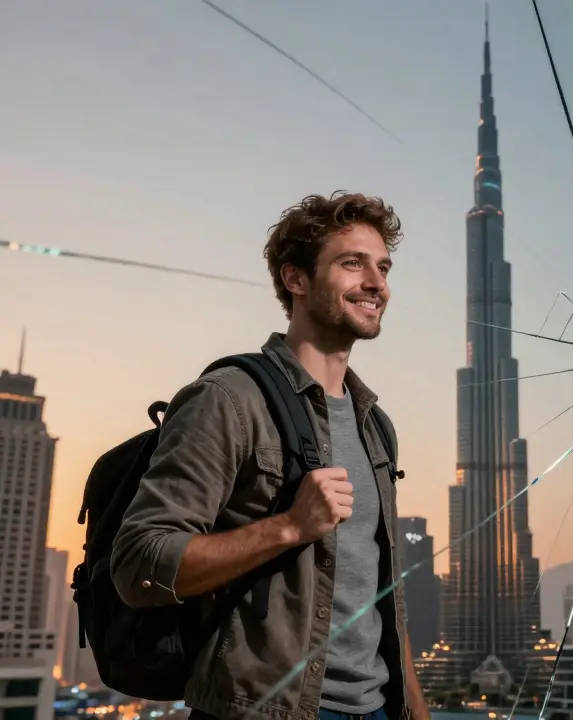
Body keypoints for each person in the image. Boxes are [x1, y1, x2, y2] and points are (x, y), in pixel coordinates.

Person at [111, 192, 431, 720]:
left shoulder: (377, 427)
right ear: (296, 279)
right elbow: (140, 560)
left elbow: (381, 596)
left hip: (376, 708)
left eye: (383, 267)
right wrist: (289, 527)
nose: (377, 284)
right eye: (353, 263)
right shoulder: (229, 400)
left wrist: (415, 710)